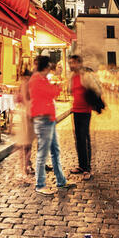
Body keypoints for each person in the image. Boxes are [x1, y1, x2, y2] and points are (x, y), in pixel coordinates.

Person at [29, 55, 73, 195]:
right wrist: (59, 85)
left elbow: (51, 92)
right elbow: (52, 92)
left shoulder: (41, 79)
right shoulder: (37, 80)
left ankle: (61, 181)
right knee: (43, 153)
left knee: (55, 150)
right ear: (45, 66)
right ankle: (40, 184)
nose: (50, 69)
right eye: (49, 66)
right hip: (43, 118)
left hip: (49, 118)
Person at [68, 55, 95, 180]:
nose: (70, 65)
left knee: (84, 139)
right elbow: (70, 91)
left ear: (79, 63)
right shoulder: (72, 77)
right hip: (76, 111)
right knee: (78, 139)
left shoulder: (86, 76)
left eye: (73, 62)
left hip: (85, 111)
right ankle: (81, 165)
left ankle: (87, 169)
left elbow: (95, 91)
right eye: (70, 62)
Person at [13, 69, 34, 180]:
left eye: (26, 78)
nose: (24, 80)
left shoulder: (28, 86)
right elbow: (17, 99)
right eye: (23, 78)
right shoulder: (24, 85)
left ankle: (25, 167)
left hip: (27, 115)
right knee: (25, 144)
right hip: (24, 115)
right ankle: (25, 167)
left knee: (27, 144)